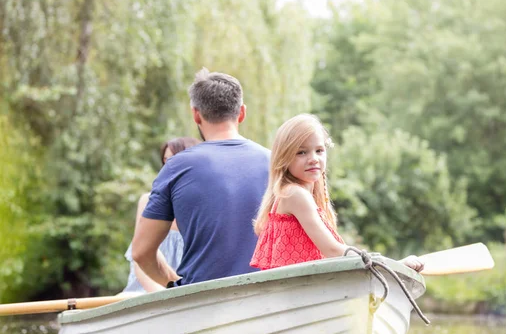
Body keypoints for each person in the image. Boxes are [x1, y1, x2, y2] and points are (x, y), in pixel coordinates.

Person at [131, 68, 270, 289]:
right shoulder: (275, 163)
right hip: (269, 291)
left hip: (201, 297)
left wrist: (172, 284)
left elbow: (141, 252)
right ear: (242, 113)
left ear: (196, 114)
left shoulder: (176, 167)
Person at [250, 113, 424, 272]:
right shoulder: (295, 194)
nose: (313, 159)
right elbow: (332, 250)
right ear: (284, 158)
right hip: (300, 294)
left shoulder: (297, 194)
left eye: (319, 150)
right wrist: (395, 266)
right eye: (301, 152)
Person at [122, 137, 200, 293]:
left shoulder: (201, 204)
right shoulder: (148, 201)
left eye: (174, 160)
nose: (167, 167)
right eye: (165, 161)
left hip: (189, 293)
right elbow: (140, 258)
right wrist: (160, 296)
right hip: (147, 291)